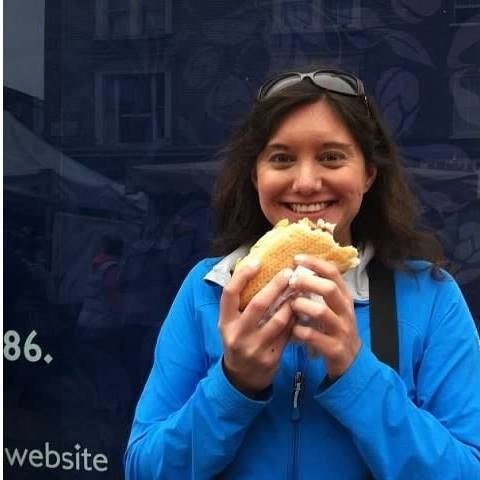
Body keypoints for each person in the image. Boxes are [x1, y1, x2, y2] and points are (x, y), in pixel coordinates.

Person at [124, 66, 480, 479]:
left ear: (368, 173)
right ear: (256, 175)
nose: (306, 182)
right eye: (281, 158)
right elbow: (144, 470)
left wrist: (355, 372)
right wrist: (233, 384)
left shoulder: (431, 296)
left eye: (331, 156)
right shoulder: (207, 290)